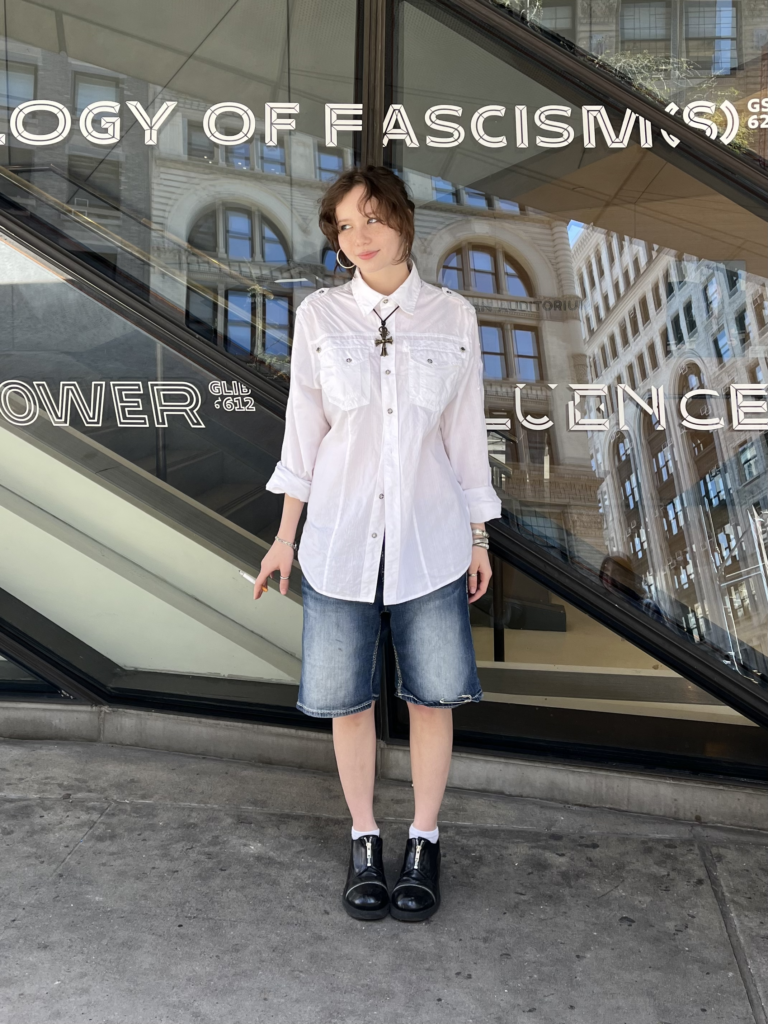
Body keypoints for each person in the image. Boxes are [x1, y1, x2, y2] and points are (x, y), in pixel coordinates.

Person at [253, 165, 501, 922]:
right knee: (348, 702)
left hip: (430, 541)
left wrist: (478, 534)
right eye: (343, 226)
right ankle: (365, 836)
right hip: (336, 539)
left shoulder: (452, 316)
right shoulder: (321, 317)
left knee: (431, 699)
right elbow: (305, 433)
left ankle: (424, 838)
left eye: (371, 220)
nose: (358, 237)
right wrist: (283, 539)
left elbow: (464, 436)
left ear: (402, 220)